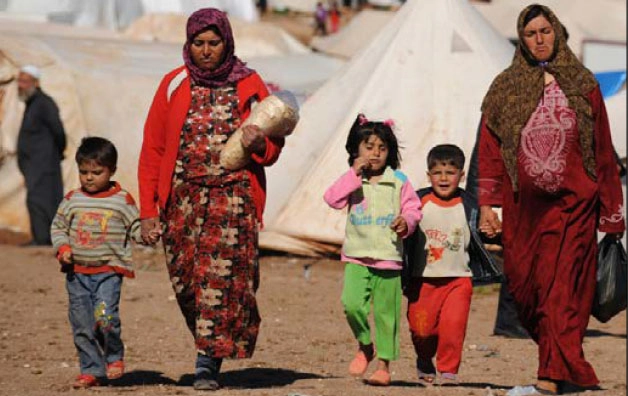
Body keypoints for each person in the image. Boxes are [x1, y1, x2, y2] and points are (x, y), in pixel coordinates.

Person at [478, 4, 625, 394]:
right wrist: (487, 204)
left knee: (563, 292)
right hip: (524, 212)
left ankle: (556, 372)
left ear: (557, 33)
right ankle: (563, 365)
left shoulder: (583, 83)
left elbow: (603, 149)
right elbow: (490, 148)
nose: (539, 40)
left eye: (545, 31)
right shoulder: (505, 88)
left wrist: (612, 211)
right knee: (528, 291)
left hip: (576, 205)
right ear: (522, 39)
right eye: (531, 33)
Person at [138, 8, 284, 391]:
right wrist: (148, 211)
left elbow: (274, 143)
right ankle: (209, 342)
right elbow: (152, 150)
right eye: (198, 43)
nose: (206, 50)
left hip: (232, 198)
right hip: (182, 200)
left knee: (219, 281)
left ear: (227, 42)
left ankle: (208, 361)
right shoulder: (173, 83)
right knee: (187, 282)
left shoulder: (250, 83)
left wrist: (260, 144)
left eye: (213, 43)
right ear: (188, 44)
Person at [323, 113, 422, 386]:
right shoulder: (354, 180)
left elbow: (414, 209)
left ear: (389, 152)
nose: (375, 153)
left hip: (389, 259)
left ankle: (384, 366)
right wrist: (353, 173)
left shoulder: (398, 180)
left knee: (386, 314)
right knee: (352, 305)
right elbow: (332, 199)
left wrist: (407, 222)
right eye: (369, 147)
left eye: (382, 148)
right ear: (357, 149)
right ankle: (365, 345)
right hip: (357, 255)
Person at [403, 144, 501, 385]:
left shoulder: (470, 204)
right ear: (429, 175)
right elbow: (403, 225)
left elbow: (487, 232)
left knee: (453, 327)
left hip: (459, 279)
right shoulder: (417, 201)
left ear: (462, 175)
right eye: (437, 172)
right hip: (422, 279)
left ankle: (448, 370)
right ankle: (425, 358)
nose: (444, 178)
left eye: (450, 172)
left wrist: (493, 232)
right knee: (421, 330)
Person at [50, 137, 141, 389]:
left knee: (105, 317)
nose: (89, 178)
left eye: (96, 172)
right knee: (81, 324)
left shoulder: (122, 200)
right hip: (77, 274)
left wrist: (148, 233)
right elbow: (58, 227)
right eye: (84, 172)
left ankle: (113, 357)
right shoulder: (72, 200)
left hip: (108, 272)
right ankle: (91, 369)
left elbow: (135, 227)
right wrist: (63, 248)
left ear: (111, 170)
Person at [17, 64, 66, 246]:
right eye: (19, 81)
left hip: (44, 162)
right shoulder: (32, 104)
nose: (20, 85)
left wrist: (56, 153)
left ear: (35, 83)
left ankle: (43, 239)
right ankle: (42, 237)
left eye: (24, 81)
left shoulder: (44, 103)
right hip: (35, 163)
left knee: (41, 200)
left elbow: (58, 131)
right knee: (38, 199)